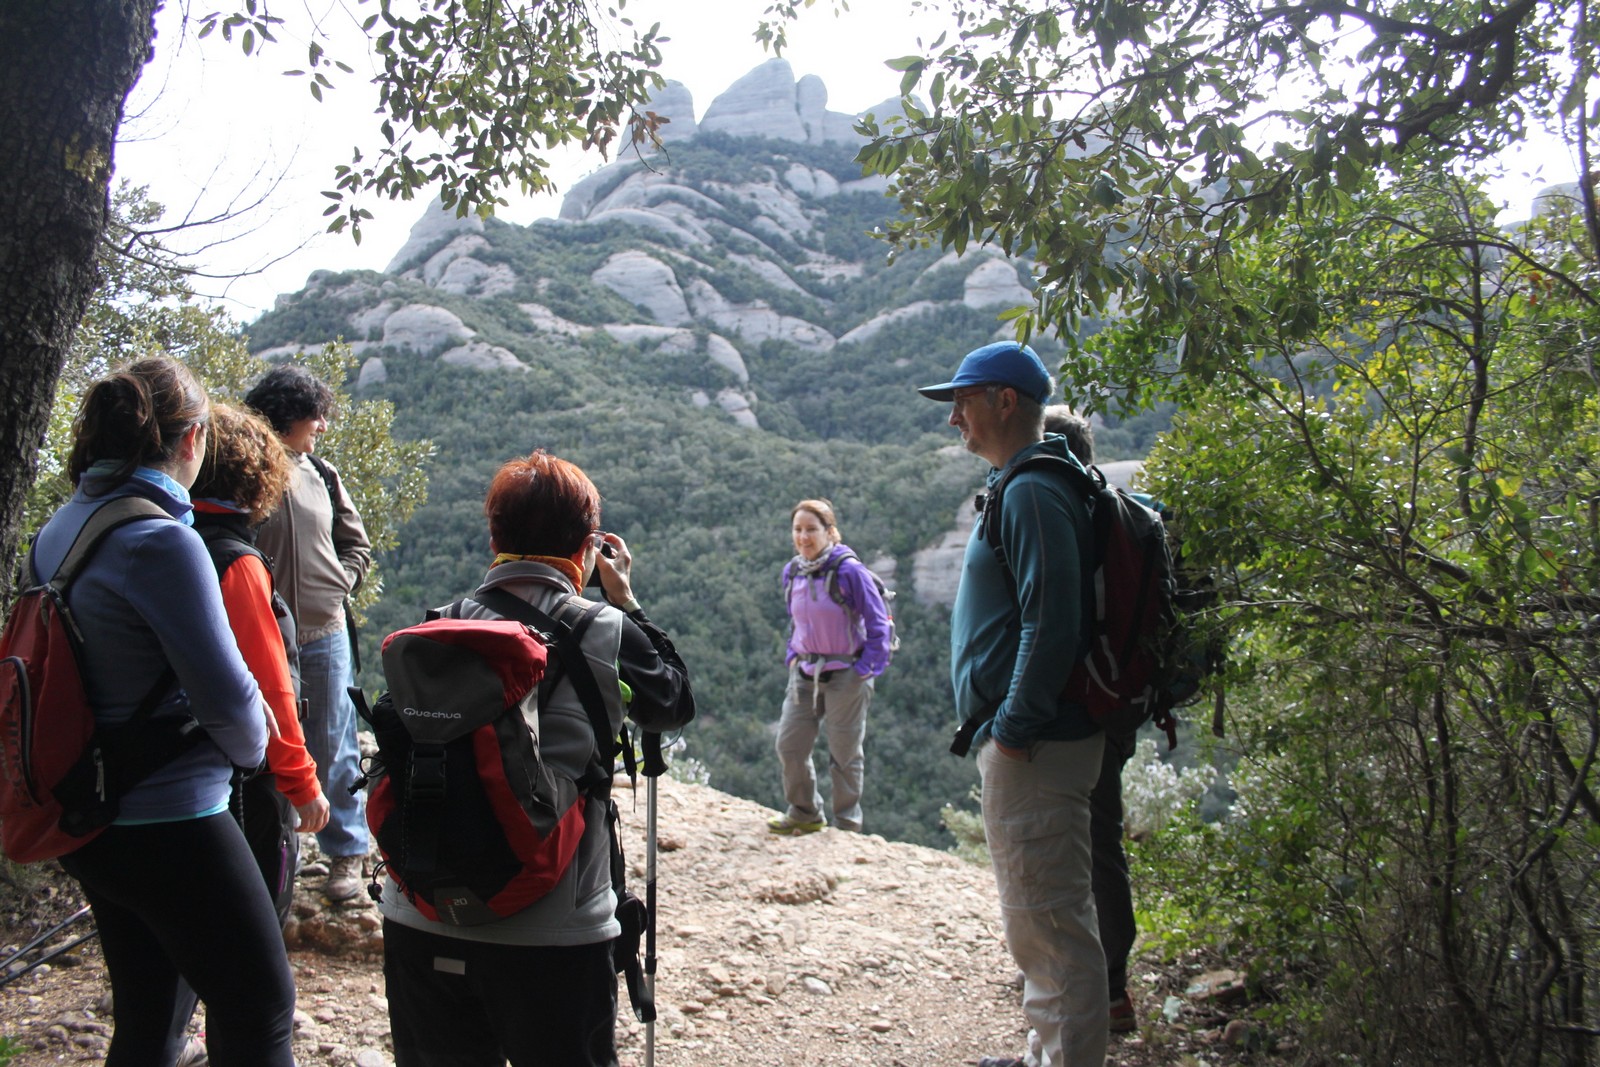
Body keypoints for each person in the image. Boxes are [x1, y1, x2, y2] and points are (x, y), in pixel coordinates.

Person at [377, 448, 696, 1067]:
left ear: (495, 540)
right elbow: (673, 705)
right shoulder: (607, 629)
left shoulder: (441, 624)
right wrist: (627, 601)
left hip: (421, 916)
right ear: (587, 547)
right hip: (555, 930)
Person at [33, 357, 296, 1066]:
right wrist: (255, 740)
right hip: (175, 819)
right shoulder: (162, 540)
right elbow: (232, 708)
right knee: (262, 1010)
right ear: (192, 439)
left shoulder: (64, 526)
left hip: (90, 812)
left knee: (149, 1016)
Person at [918, 342, 1107, 1067]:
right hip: (1039, 739)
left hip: (1038, 744)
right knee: (1039, 921)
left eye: (962, 402)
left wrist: (1015, 729)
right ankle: (1044, 1053)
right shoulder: (1028, 483)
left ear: (1005, 402)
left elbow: (1051, 622)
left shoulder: (1032, 490)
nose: (953, 419)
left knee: (1052, 926)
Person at [191, 403, 332, 923]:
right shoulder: (236, 562)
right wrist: (302, 783)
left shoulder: (171, 537)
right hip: (246, 783)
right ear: (256, 477)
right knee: (256, 922)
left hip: (179, 772)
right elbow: (271, 687)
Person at [245, 365, 373, 902]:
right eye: (314, 415)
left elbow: (356, 544)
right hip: (260, 632)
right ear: (288, 416)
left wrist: (341, 583)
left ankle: (347, 852)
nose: (322, 425)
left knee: (333, 744)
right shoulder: (244, 469)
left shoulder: (322, 472)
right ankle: (275, 852)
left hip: (324, 631)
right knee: (262, 744)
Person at [1043, 404, 1137, 1033]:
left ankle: (1079, 994)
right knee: (1104, 840)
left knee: (1065, 845)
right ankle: (1112, 986)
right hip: (1122, 698)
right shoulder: (1120, 511)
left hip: (1075, 705)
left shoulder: (1066, 513)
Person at [767, 499, 893, 835]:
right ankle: (805, 813)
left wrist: (865, 670)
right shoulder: (793, 571)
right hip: (804, 673)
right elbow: (797, 620)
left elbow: (878, 625)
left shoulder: (850, 572)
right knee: (789, 746)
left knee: (844, 755)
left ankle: (847, 827)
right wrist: (793, 655)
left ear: (830, 531)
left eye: (811, 529)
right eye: (798, 529)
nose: (803, 537)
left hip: (847, 675)